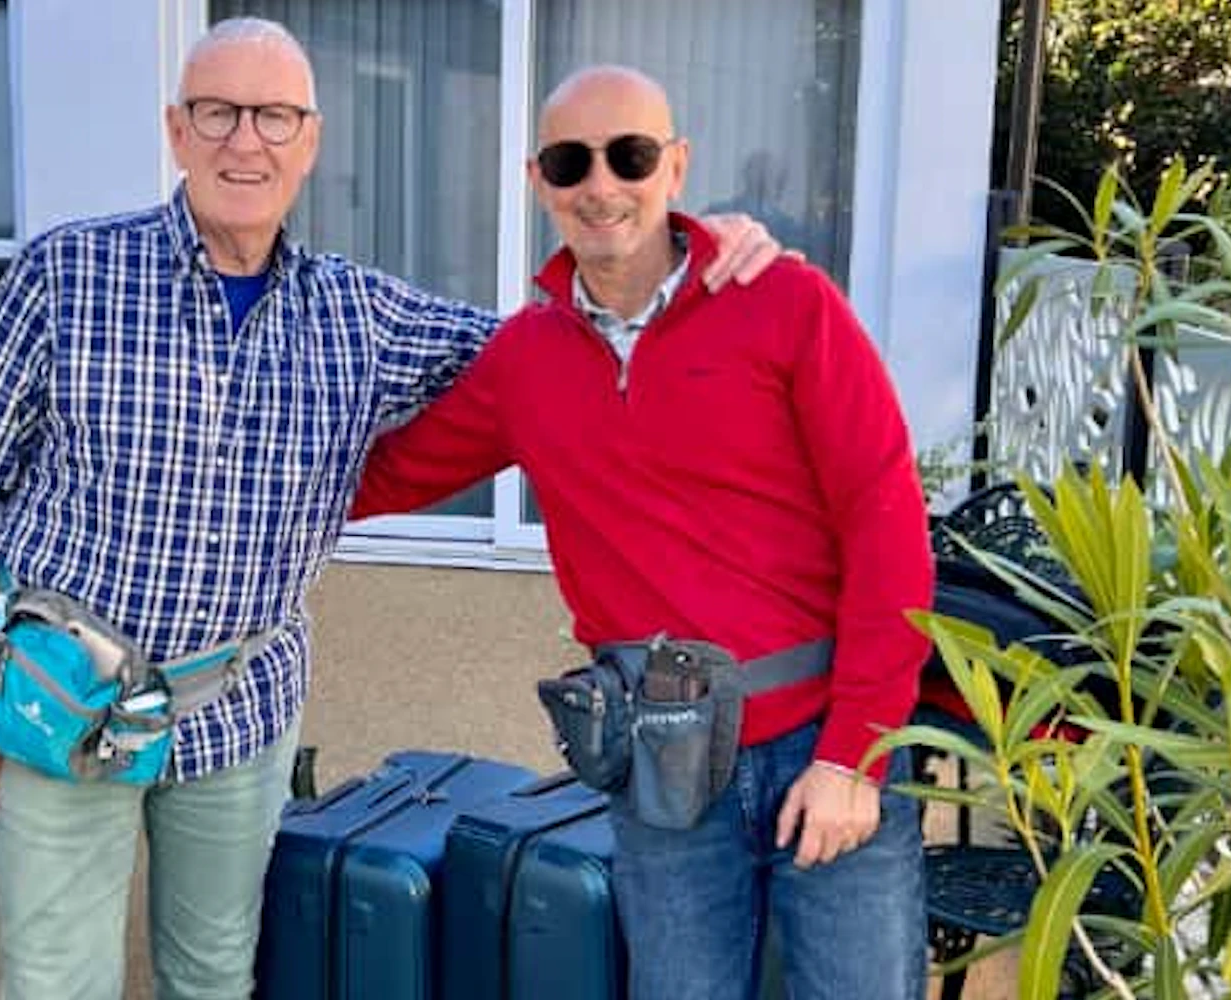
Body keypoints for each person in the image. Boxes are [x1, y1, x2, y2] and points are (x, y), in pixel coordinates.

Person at [0, 19, 786, 1000]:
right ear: (176, 130)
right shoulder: (65, 276)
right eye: (218, 112)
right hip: (59, 700)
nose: (246, 140)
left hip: (234, 714)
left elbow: (544, 355)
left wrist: (690, 261)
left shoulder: (356, 316)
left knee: (210, 977)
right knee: (53, 983)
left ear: (310, 140)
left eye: (274, 116)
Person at [351, 65, 934, 1000]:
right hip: (662, 763)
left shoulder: (787, 305)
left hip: (820, 745)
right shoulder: (526, 360)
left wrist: (854, 754)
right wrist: (212, 478)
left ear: (675, 166)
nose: (601, 186)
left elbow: (887, 527)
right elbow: (382, 475)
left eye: (629, 155)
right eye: (570, 162)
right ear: (538, 180)